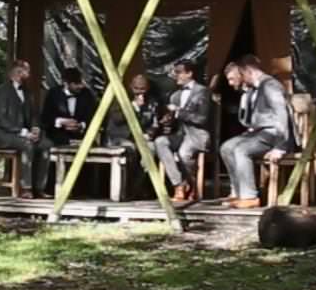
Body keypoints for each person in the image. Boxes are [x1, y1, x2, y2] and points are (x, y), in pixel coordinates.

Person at [219, 54, 291, 208]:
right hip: (259, 133)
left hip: (273, 134)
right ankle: (237, 192)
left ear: (247, 71)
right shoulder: (254, 88)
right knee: (226, 147)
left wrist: (280, 147)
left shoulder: (270, 85)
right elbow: (247, 117)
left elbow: (281, 115)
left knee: (241, 149)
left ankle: (249, 196)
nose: (242, 79)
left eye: (242, 74)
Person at [0, 60, 51, 197]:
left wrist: (35, 128)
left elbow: (34, 114)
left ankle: (39, 187)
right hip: (3, 134)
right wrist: (22, 132)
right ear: (17, 73)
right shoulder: (1, 91)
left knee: (46, 145)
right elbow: (1, 118)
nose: (28, 75)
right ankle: (26, 188)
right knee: (27, 145)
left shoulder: (28, 92)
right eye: (26, 72)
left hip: (24, 133)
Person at [153, 60, 212, 203]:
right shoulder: (175, 96)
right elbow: (175, 122)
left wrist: (179, 112)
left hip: (197, 134)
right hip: (181, 134)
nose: (175, 76)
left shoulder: (202, 91)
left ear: (189, 73)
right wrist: (168, 120)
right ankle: (179, 184)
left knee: (184, 153)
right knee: (160, 142)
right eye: (175, 72)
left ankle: (192, 185)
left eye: (179, 72)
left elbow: (202, 119)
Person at [40, 69, 97, 146]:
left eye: (80, 82)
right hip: (58, 136)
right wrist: (61, 122)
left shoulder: (86, 94)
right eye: (76, 83)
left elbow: (92, 116)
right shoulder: (53, 94)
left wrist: (81, 125)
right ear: (66, 84)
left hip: (81, 136)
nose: (80, 86)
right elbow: (45, 118)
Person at [103, 73, 159, 147]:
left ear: (147, 88)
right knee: (130, 147)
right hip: (119, 137)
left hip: (141, 137)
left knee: (152, 147)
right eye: (136, 88)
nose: (139, 91)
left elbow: (154, 121)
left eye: (142, 89)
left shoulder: (152, 102)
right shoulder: (120, 99)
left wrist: (150, 132)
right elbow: (117, 119)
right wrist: (134, 106)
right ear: (130, 86)